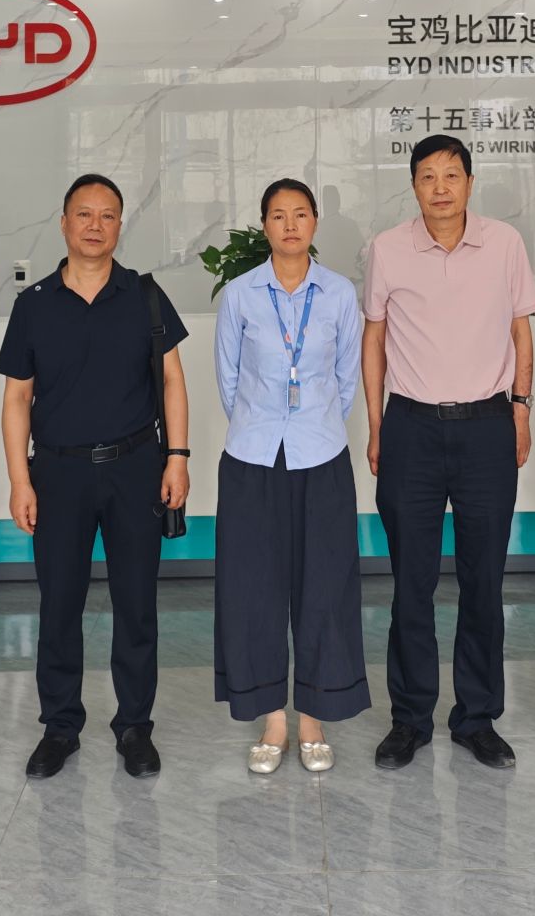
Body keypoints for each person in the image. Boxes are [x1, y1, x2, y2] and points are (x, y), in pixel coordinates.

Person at [0, 174, 192, 780]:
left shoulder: (145, 295)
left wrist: (178, 457)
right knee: (59, 604)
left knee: (136, 603)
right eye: (83, 214)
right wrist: (19, 480)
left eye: (107, 216)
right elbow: (16, 399)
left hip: (136, 468)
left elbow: (173, 380)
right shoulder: (34, 304)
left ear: (119, 226)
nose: (94, 225)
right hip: (58, 473)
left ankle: (135, 726)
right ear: (63, 222)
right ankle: (60, 727)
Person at [363, 133, 535, 771]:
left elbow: (521, 330)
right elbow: (374, 338)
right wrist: (377, 426)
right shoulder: (387, 248)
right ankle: (409, 719)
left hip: (487, 426)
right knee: (410, 583)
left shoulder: (505, 243)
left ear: (470, 181)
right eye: (428, 176)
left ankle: (477, 718)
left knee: (482, 581)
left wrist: (521, 409)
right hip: (410, 428)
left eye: (452, 175)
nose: (440, 187)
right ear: (413, 185)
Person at [212, 178, 370, 774]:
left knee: (325, 587)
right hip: (252, 457)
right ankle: (272, 719)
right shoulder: (240, 295)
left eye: (300, 214)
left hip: (321, 454)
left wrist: (314, 423)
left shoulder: (339, 293)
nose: (290, 225)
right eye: (278, 216)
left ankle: (314, 718)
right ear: (264, 225)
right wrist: (261, 423)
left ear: (315, 222)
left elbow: (347, 378)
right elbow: (228, 378)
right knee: (254, 588)